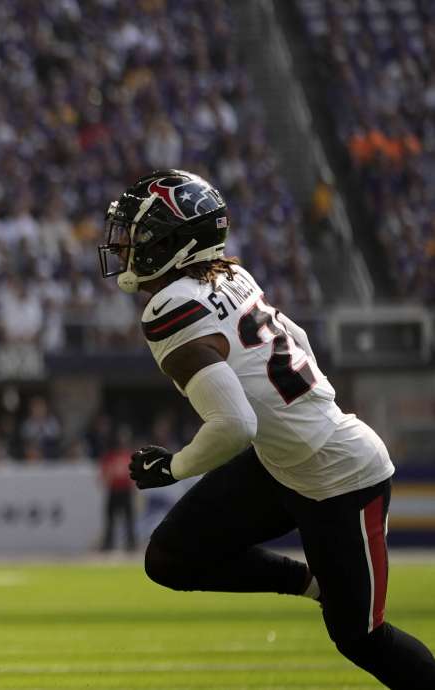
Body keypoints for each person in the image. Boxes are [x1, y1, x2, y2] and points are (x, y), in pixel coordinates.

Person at [98, 169, 435, 688]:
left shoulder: (170, 307)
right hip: (286, 460)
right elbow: (293, 333)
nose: (126, 247)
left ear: (170, 242)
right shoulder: (231, 275)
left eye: (137, 236)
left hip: (340, 476)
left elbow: (235, 424)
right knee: (170, 558)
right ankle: (313, 581)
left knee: (361, 637)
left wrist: (173, 467)